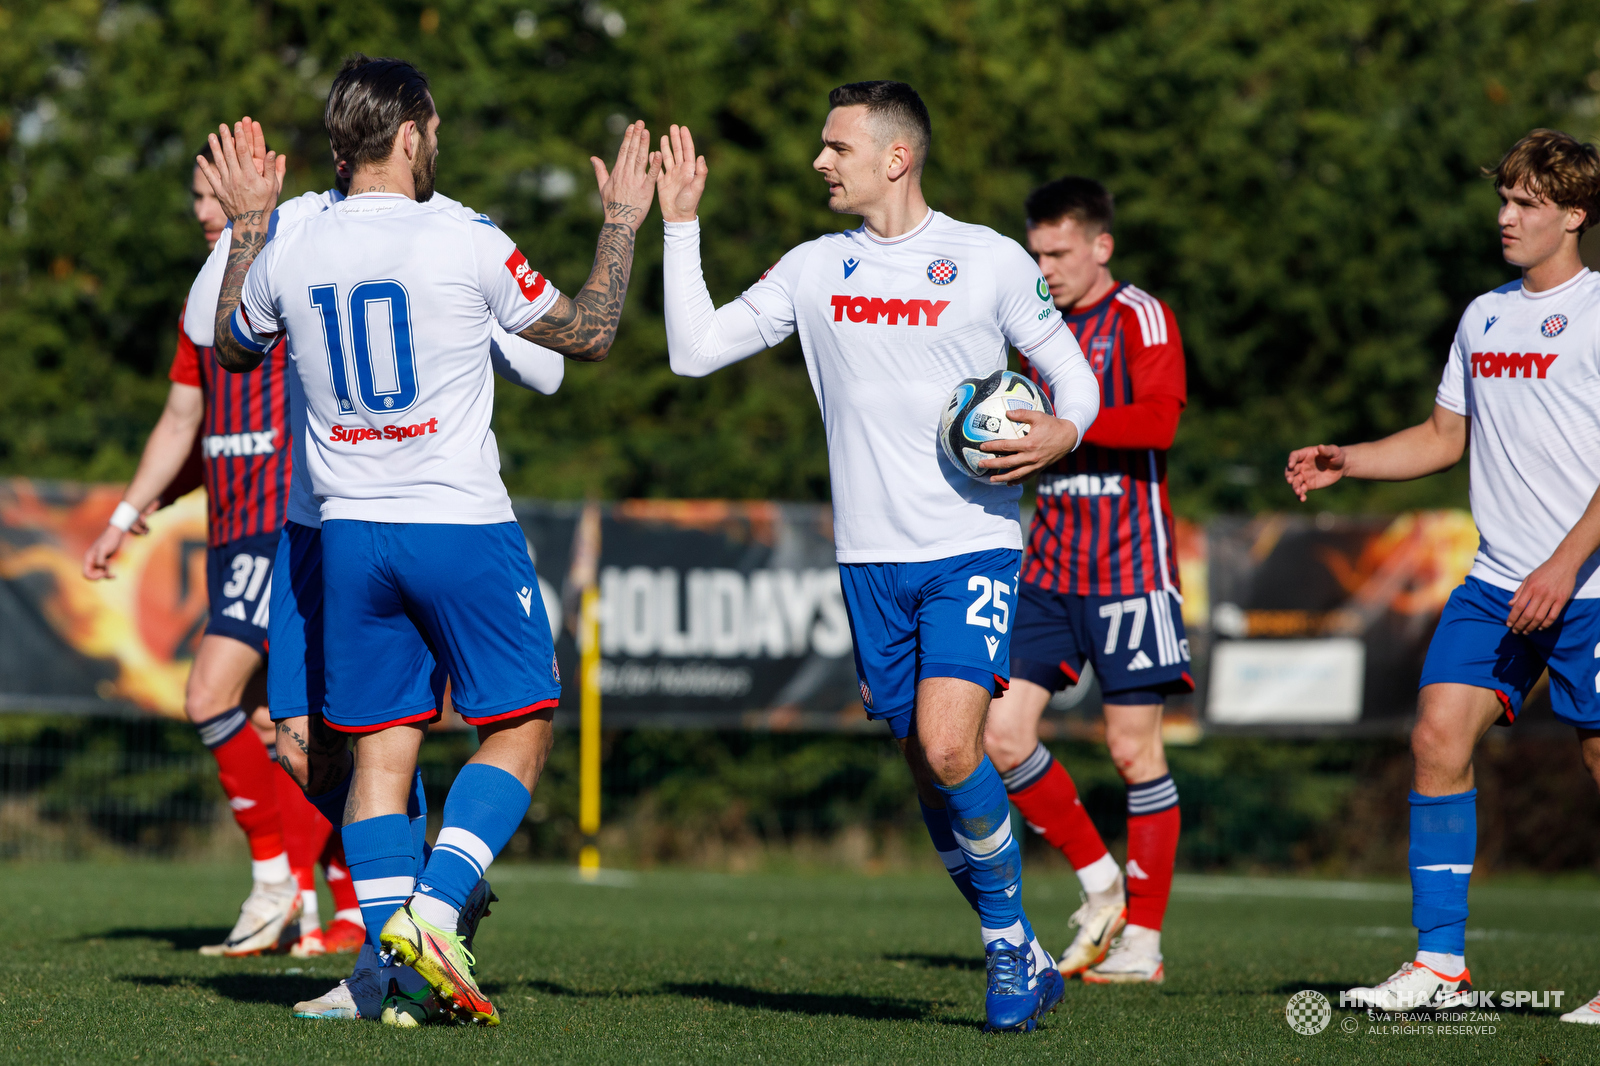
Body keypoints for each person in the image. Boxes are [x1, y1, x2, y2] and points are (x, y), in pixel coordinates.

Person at [200, 55, 658, 1026]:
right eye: (433, 129)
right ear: (411, 135)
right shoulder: (464, 236)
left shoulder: (290, 238)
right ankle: (436, 914)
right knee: (524, 723)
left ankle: (387, 976)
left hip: (352, 534)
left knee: (379, 754)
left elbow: (231, 348)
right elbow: (592, 331)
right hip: (457, 523)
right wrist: (620, 221)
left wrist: (247, 224)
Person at [656, 81, 1100, 1032]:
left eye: (836, 147)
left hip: (971, 546)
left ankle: (1009, 947)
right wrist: (681, 226)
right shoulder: (816, 267)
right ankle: (1017, 948)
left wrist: (1064, 432)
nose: (820, 161)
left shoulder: (985, 260)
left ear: (895, 157)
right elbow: (694, 351)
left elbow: (1074, 374)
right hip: (869, 563)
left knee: (952, 745)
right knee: (928, 767)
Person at [1285, 129, 1600, 1016]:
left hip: (1589, 587)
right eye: (1503, 199)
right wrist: (1348, 458)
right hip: (1499, 583)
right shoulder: (1484, 314)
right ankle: (1441, 969)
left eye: (1527, 204)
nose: (1506, 216)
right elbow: (1441, 438)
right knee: (1435, 738)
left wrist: (1566, 563)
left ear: (1574, 215)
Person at [80, 145, 359, 958]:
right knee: (289, 726)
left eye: (216, 193)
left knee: (213, 697)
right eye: (197, 196)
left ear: (257, 191)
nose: (204, 209)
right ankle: (334, 899)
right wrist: (130, 511)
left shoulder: (292, 270)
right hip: (229, 529)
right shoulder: (201, 304)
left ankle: (280, 881)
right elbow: (180, 422)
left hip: (286, 524)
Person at [980, 177, 1190, 984]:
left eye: (1060, 253)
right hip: (1048, 567)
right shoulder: (1034, 330)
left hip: (1132, 569)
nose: (1047, 268)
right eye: (1036, 254)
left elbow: (1162, 419)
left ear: (1101, 246)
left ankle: (1144, 944)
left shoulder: (1142, 316)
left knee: (1133, 753)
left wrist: (1070, 423)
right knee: (1000, 734)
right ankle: (1101, 885)